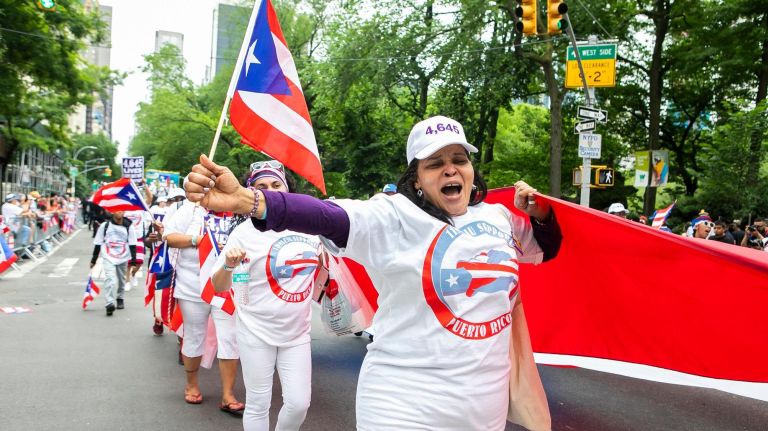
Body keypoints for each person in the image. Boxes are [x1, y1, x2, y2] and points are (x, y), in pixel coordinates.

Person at [185, 115, 562, 430]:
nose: (450, 168)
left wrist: (541, 214)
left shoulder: (498, 218)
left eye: (459, 159)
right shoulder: (393, 216)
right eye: (435, 162)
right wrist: (250, 201)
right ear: (416, 177)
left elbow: (545, 249)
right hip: (401, 406)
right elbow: (325, 215)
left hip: (484, 410)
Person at [211, 161, 314, 431]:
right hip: (255, 331)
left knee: (299, 403)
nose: (270, 191)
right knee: (258, 403)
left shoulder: (307, 226)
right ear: (250, 193)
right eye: (261, 187)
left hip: (297, 333)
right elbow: (219, 285)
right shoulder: (243, 233)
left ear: (287, 188)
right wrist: (229, 265)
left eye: (276, 185)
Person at [163, 183, 243, 413]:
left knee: (229, 338)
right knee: (194, 336)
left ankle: (228, 394)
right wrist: (197, 241)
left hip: (226, 286)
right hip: (192, 287)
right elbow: (169, 236)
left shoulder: (237, 212)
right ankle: (192, 385)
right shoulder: (191, 209)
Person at [90, 210, 138, 316]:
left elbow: (133, 244)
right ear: (112, 212)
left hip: (123, 256)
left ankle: (120, 297)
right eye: (117, 210)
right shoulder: (105, 226)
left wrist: (133, 261)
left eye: (122, 210)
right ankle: (109, 303)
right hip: (108, 256)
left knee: (122, 280)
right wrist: (93, 260)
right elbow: (98, 243)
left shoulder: (128, 226)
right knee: (110, 279)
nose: (120, 212)